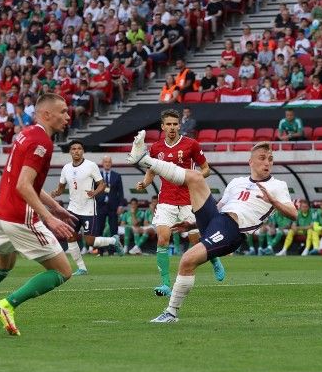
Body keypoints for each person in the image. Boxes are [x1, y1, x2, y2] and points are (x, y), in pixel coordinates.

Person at [126, 137, 297, 323]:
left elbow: (293, 214)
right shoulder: (236, 182)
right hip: (218, 219)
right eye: (262, 158)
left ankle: (171, 313)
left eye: (270, 159)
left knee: (187, 260)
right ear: (251, 162)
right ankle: (143, 158)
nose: (267, 162)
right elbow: (219, 206)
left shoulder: (278, 186)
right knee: (196, 176)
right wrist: (192, 223)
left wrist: (273, 201)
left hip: (233, 230)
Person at [0, 93, 77, 335]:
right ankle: (7, 305)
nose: (67, 115)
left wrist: (56, 208)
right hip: (21, 218)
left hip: (2, 215)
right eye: (62, 111)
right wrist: (48, 218)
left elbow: (27, 182)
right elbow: (23, 186)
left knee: (1, 268)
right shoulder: (41, 143)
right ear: (46, 114)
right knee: (63, 271)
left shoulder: (26, 134)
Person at [135, 110, 226, 297]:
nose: (172, 127)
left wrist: (195, 179)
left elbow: (206, 169)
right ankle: (166, 284)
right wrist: (144, 183)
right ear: (162, 127)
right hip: (166, 200)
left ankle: (215, 260)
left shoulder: (191, 144)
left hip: (188, 200)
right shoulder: (155, 148)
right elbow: (152, 171)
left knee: (197, 241)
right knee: (162, 239)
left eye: (175, 124)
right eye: (168, 124)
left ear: (179, 126)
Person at [50, 140, 124, 276]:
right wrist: (55, 193)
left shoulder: (91, 166)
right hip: (72, 208)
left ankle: (114, 241)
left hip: (88, 209)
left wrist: (94, 193)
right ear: (70, 152)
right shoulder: (66, 168)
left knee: (90, 241)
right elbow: (61, 188)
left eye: (79, 149)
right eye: (73, 149)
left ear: (82, 151)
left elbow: (102, 184)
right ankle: (82, 268)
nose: (76, 151)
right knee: (70, 237)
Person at [95, 156, 125, 255]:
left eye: (109, 162)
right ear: (102, 163)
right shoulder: (97, 175)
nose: (107, 163)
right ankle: (100, 251)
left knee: (113, 230)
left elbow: (120, 192)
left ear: (111, 163)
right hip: (100, 206)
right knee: (99, 229)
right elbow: (93, 190)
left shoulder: (117, 176)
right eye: (105, 162)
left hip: (113, 207)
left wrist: (120, 205)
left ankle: (112, 251)